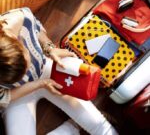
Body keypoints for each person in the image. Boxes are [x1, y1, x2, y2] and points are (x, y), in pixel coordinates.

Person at [0, 7, 118, 135]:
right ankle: (73, 127)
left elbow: (36, 27)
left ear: (12, 36)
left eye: (27, 61)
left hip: (46, 70)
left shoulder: (19, 18)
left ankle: (77, 125)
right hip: (16, 94)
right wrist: (40, 84)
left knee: (98, 125)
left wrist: (50, 48)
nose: (27, 72)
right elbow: (4, 96)